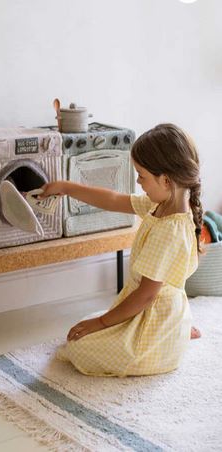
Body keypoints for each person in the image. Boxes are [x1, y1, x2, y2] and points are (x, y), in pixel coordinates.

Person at [40, 123, 203, 377]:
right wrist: (67, 187)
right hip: (152, 308)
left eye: (142, 175)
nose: (138, 182)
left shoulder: (169, 230)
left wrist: (100, 323)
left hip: (150, 312)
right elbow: (114, 199)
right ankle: (176, 331)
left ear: (166, 180)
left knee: (79, 347)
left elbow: (146, 296)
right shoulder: (161, 204)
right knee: (92, 326)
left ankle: (169, 340)